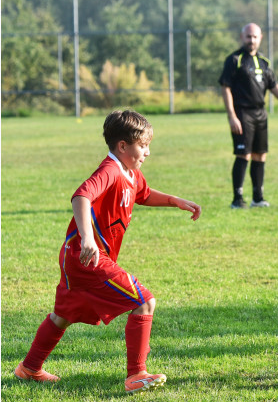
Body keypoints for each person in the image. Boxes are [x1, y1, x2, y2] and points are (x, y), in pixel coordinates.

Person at [14, 110, 202, 393]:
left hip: (75, 258)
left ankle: (28, 368)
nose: (148, 152)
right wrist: (88, 238)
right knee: (144, 301)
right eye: (143, 145)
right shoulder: (111, 170)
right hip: (88, 257)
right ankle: (136, 374)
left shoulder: (130, 172)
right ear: (123, 146)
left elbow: (143, 194)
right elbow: (81, 196)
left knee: (63, 315)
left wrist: (175, 200)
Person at [218, 22, 278, 209]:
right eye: (248, 37)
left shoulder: (264, 62)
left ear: (260, 38)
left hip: (260, 114)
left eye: (255, 37)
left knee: (260, 155)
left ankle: (258, 198)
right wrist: (232, 116)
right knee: (243, 154)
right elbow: (226, 88)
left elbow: (274, 86)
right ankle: (237, 199)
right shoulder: (234, 60)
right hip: (242, 113)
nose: (251, 40)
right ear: (242, 37)